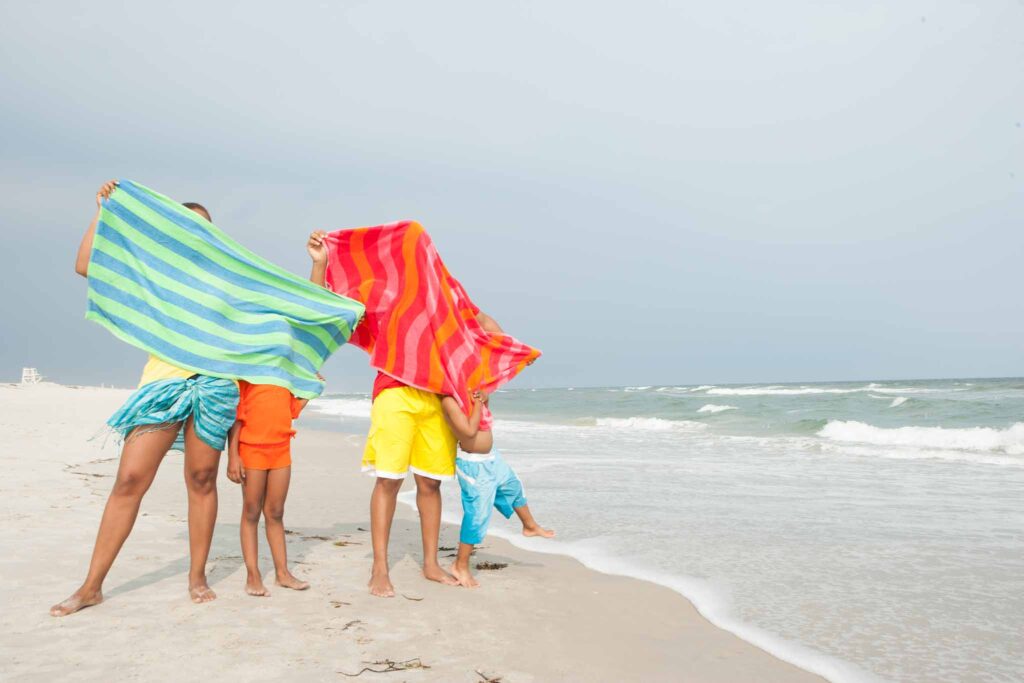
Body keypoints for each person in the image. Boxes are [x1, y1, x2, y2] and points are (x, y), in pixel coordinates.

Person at [50, 181, 239, 616]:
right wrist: (104, 210)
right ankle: (91, 586)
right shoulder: (154, 275)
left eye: (202, 226)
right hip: (163, 383)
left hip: (214, 385)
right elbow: (85, 266)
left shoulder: (228, 280)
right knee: (130, 480)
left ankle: (197, 576)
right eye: (184, 224)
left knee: (202, 480)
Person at [307, 229, 504, 597]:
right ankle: (379, 568)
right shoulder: (380, 295)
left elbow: (491, 330)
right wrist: (320, 264)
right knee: (389, 479)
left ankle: (430, 563)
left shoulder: (446, 294)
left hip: (438, 398)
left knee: (430, 483)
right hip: (394, 393)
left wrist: (486, 385)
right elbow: (324, 309)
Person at [441, 391, 555, 589]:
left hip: (492, 458)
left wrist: (484, 399)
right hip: (473, 465)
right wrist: (477, 404)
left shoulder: (470, 393)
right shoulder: (449, 401)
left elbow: (484, 414)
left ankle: (529, 526)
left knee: (514, 486)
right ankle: (460, 565)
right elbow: (469, 431)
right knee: (477, 515)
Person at [225, 380, 310, 596]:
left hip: (281, 449)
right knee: (251, 511)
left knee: (276, 512)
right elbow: (236, 419)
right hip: (251, 450)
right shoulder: (246, 378)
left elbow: (292, 409)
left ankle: (282, 573)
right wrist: (233, 456)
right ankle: (252, 575)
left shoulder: (285, 379)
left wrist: (312, 387)